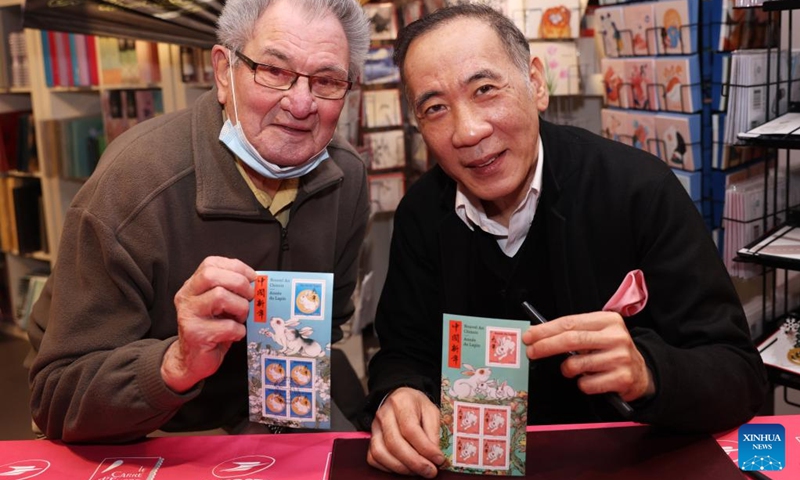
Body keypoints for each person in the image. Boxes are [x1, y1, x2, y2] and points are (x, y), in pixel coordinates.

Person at [362, 4, 768, 478]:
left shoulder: (637, 190)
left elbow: (739, 374)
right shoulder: (421, 215)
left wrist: (649, 372)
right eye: (435, 108)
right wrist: (399, 394)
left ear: (536, 83)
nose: (468, 130)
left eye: (486, 90)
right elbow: (401, 351)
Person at [28, 0, 371, 443]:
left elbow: (330, 322)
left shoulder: (346, 179)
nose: (301, 103)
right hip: (139, 426)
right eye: (273, 70)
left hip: (268, 413)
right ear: (223, 72)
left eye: (326, 81)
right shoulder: (134, 185)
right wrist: (176, 362)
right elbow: (58, 395)